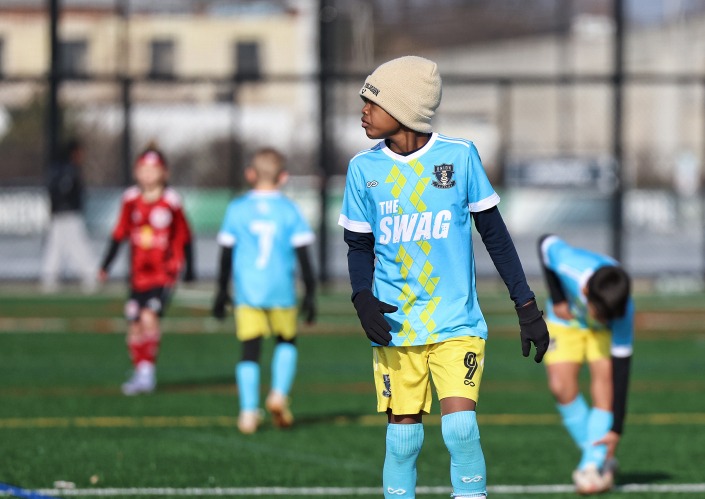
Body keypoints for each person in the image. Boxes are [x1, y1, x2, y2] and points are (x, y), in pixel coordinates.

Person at [339, 55, 550, 499]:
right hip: (396, 324)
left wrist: (526, 306)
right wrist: (362, 297)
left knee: (460, 428)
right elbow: (358, 246)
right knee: (402, 439)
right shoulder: (362, 169)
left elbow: (496, 236)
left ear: (403, 108)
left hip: (456, 322)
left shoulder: (459, 156)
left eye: (372, 102)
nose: (363, 111)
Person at [212, 147, 316, 435]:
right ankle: (279, 394)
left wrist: (221, 291)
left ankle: (248, 412)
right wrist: (310, 293)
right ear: (283, 177)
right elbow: (304, 255)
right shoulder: (289, 209)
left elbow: (225, 254)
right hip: (281, 289)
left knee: (250, 349)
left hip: (248, 291)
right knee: (287, 340)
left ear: (250, 174)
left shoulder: (237, 209)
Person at [537, 234, 633, 495]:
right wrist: (558, 297)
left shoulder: (622, 309)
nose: (606, 318)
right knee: (560, 387)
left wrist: (617, 428)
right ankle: (600, 459)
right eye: (601, 314)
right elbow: (545, 243)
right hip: (565, 321)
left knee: (604, 385)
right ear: (587, 293)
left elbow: (622, 369)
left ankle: (592, 464)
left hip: (600, 335)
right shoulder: (569, 265)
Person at [99, 143, 195, 396]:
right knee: (134, 324)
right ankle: (140, 369)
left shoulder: (171, 202)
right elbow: (119, 233)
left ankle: (147, 373)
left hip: (164, 274)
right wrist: (105, 266)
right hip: (137, 276)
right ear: (136, 172)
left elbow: (185, 235)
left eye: (153, 170)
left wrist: (190, 268)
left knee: (148, 317)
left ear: (164, 173)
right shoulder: (130, 200)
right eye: (143, 169)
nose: (148, 174)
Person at [41, 138, 98, 294]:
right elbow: (63, 192)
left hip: (60, 215)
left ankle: (50, 279)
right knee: (75, 246)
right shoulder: (69, 170)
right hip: (69, 215)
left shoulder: (59, 169)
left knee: (56, 247)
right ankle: (90, 275)